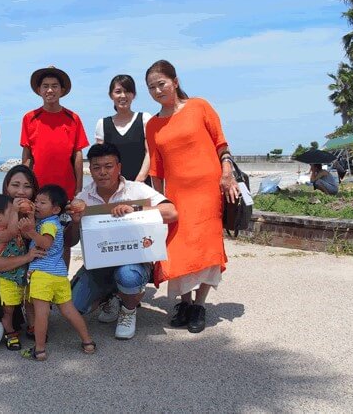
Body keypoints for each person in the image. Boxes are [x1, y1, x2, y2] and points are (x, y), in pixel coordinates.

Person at [144, 59, 239, 333]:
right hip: (176, 195)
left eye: (161, 84)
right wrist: (159, 201)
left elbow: (221, 144)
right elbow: (156, 168)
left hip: (208, 190)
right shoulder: (152, 125)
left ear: (175, 81)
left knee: (207, 247)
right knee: (178, 249)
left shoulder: (199, 106)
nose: (157, 91)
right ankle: (184, 303)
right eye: (151, 87)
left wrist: (227, 173)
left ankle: (199, 305)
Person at [67, 143, 178, 340]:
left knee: (128, 276)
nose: (102, 172)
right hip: (98, 265)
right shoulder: (83, 198)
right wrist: (75, 222)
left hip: (134, 261)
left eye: (108, 166)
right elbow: (70, 241)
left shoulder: (136, 190)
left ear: (119, 167)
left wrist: (135, 209)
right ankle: (112, 297)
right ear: (90, 169)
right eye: (96, 167)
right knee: (75, 306)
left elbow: (171, 212)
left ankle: (128, 309)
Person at [18, 184, 95, 361]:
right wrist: (29, 224)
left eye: (42, 202)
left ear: (56, 209)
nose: (36, 205)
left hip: (42, 275)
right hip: (59, 274)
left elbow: (46, 243)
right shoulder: (52, 223)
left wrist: (30, 231)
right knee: (69, 311)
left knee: (41, 313)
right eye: (36, 201)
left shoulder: (49, 225)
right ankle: (88, 342)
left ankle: (39, 350)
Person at [0, 165, 45, 351]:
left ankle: (30, 324)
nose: (21, 192)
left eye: (27, 186)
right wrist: (27, 258)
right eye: (15, 185)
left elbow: (51, 243)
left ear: (34, 191)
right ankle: (10, 331)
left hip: (28, 281)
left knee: (33, 310)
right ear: (6, 187)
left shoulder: (40, 216)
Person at [20, 66, 90, 202]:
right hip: (38, 189)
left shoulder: (73, 118)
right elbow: (27, 156)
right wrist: (24, 186)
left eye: (54, 86)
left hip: (67, 189)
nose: (50, 90)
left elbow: (78, 154)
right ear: (39, 90)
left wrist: (79, 189)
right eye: (45, 86)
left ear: (62, 90)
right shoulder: (29, 118)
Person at [0, 194, 28, 351]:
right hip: (8, 279)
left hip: (21, 277)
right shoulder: (0, 235)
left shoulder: (14, 229)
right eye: (12, 213)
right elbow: (13, 231)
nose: (16, 215)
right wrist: (16, 210)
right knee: (8, 310)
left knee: (27, 303)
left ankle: (32, 326)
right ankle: (10, 333)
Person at [95, 75, 152, 184]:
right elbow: (100, 159)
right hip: (113, 187)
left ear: (133, 95)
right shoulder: (102, 124)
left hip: (142, 185)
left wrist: (139, 181)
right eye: (118, 92)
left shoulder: (144, 119)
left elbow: (150, 152)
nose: (123, 95)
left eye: (127, 91)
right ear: (111, 95)